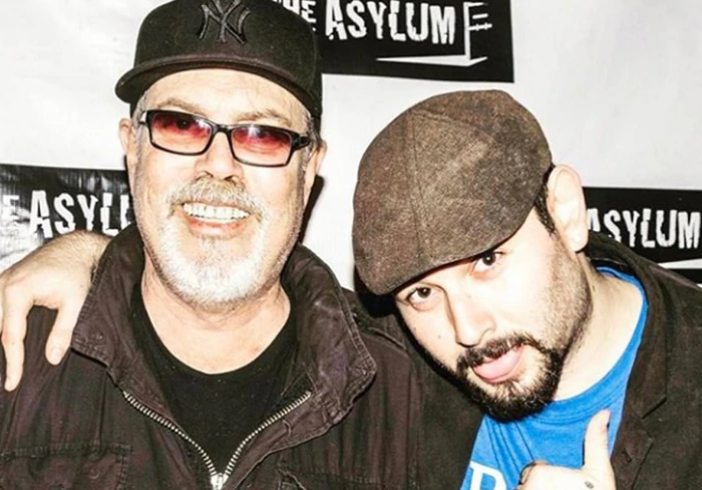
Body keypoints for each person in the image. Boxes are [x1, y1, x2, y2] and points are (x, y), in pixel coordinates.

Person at [0, 1, 474, 488]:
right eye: (181, 125)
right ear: (133, 148)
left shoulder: (406, 390)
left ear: (308, 170)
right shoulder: (16, 353)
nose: (219, 165)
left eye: (261, 135)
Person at [351, 90, 702, 490]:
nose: (468, 330)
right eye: (422, 293)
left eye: (488, 260)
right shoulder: (380, 378)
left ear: (565, 213)